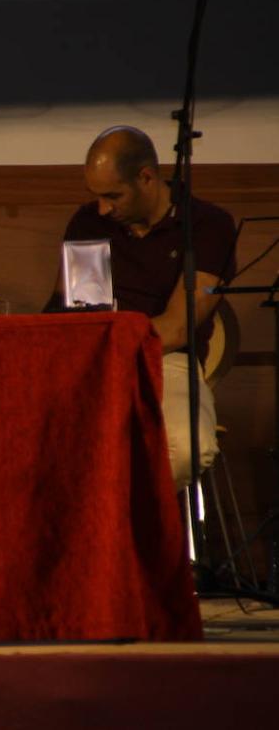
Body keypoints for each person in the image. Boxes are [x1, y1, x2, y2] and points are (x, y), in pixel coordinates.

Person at [53, 125, 234, 489]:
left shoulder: (206, 225)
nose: (103, 208)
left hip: (165, 355)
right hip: (93, 356)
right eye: (97, 196)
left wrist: (113, 342)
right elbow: (76, 310)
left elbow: (178, 327)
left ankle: (129, 527)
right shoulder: (89, 221)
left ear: (146, 177)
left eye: (113, 196)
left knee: (186, 450)